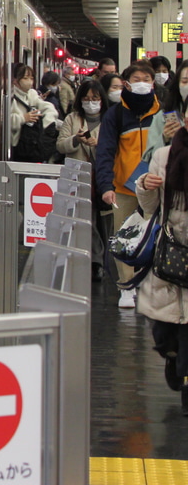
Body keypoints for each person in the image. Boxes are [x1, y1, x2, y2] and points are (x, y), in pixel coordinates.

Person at [96, 60, 161, 307]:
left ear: (153, 83)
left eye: (146, 79)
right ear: (126, 84)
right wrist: (106, 186)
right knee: (123, 236)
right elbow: (105, 152)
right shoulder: (116, 115)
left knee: (156, 235)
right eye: (137, 79)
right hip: (124, 188)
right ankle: (127, 286)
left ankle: (152, 281)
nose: (142, 84)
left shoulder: (162, 113)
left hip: (156, 187)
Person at [134, 128, 188, 411]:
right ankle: (172, 356)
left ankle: (184, 375)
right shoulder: (164, 156)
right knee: (166, 328)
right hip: (171, 250)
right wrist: (144, 185)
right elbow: (148, 206)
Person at [8, 63, 58, 162]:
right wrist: (23, 118)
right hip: (14, 146)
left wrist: (44, 126)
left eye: (31, 78)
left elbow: (49, 108)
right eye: (25, 78)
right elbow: (1, 120)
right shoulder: (8, 97)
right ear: (14, 80)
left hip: (31, 146)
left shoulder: (32, 94)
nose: (30, 82)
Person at [56, 78, 105, 164]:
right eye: (86, 99)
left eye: (95, 98)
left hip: (101, 171)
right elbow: (60, 145)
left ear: (102, 100)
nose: (90, 102)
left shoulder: (109, 119)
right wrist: (76, 139)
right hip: (76, 171)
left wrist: (99, 143)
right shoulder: (71, 118)